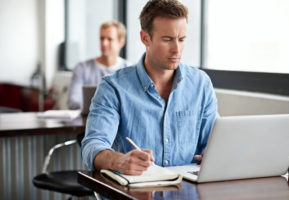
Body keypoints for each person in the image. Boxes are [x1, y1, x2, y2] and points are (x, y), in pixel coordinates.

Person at [81, 0, 218, 175]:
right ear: (145, 38)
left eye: (181, 39)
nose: (177, 49)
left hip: (187, 190)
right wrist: (119, 161)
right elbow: (92, 146)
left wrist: (213, 154)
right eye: (168, 39)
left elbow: (213, 142)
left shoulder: (201, 84)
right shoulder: (113, 87)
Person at [68, 20, 129, 110]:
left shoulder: (129, 69)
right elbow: (73, 102)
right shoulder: (82, 68)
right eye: (102, 38)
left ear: (121, 42)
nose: (104, 43)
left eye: (109, 39)